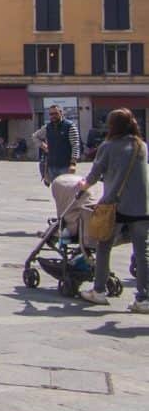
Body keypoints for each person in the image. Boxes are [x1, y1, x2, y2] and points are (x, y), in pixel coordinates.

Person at [77, 108, 149, 312]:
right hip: (143, 207)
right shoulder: (141, 146)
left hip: (116, 205)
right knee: (143, 253)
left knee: (104, 246)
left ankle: (98, 291)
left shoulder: (108, 146)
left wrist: (82, 186)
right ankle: (144, 298)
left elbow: (93, 175)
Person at [33, 105, 80, 185]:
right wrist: (43, 146)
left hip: (65, 166)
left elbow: (75, 145)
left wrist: (73, 164)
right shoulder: (47, 127)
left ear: (61, 113)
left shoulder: (70, 126)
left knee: (66, 190)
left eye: (55, 113)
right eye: (51, 114)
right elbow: (35, 136)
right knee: (56, 191)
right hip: (51, 166)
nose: (53, 116)